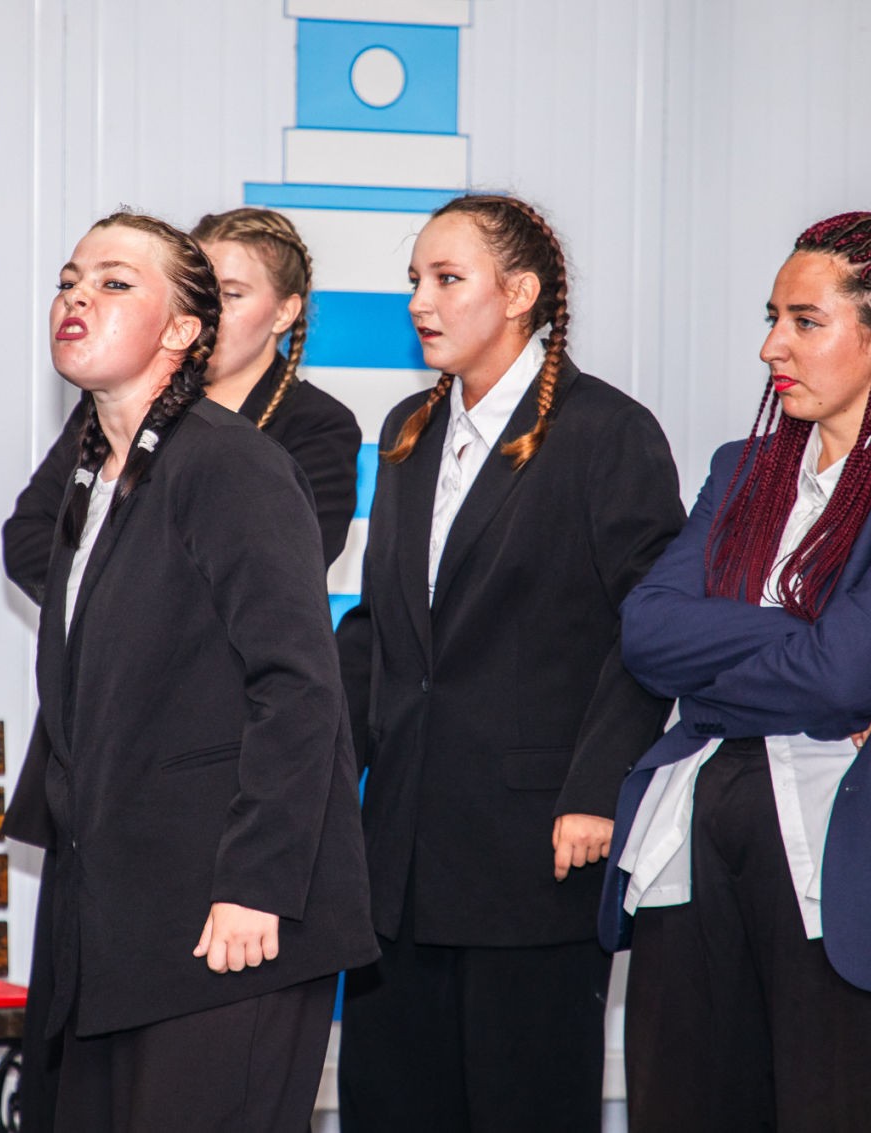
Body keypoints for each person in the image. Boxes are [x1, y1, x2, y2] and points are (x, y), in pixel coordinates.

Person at [602, 212, 871, 1130]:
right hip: (694, 858)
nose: (772, 347)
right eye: (772, 318)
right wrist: (801, 636)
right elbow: (648, 633)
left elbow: (843, 672)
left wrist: (740, 660)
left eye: (804, 321)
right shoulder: (742, 471)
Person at [8, 209, 376, 1133]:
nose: (78, 297)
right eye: (69, 279)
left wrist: (258, 881)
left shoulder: (235, 463)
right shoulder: (96, 469)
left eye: (115, 282)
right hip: (115, 904)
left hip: (225, 905)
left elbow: (298, 684)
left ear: (181, 330)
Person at [335, 193, 684, 1132]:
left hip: (535, 855)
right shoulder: (408, 427)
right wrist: (312, 776)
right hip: (397, 860)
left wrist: (599, 788)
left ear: (520, 293)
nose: (420, 300)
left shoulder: (606, 430)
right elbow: (382, 631)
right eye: (415, 279)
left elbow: (649, 630)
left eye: (448, 278)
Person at [3, 205, 360, 594]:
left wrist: (122, 592)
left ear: (284, 313)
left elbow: (284, 569)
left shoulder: (318, 423)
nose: (212, 309)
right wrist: (103, 607)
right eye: (200, 291)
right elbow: (27, 538)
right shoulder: (121, 401)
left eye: (231, 294)